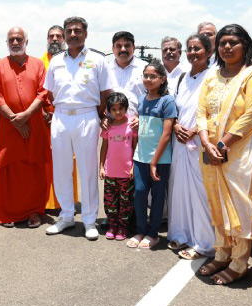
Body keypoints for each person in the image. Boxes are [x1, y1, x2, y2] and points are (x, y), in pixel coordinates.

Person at [195, 24, 252, 285]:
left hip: (239, 156)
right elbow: (201, 112)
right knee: (216, 204)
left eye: (233, 43)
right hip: (211, 153)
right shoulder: (212, 76)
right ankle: (221, 253)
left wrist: (222, 145)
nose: (227, 47)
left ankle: (239, 262)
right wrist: (206, 142)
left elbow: (251, 116)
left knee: (240, 206)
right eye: (223, 42)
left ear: (245, 46)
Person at [44, 16, 112, 240]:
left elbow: (105, 93)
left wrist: (97, 113)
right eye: (69, 31)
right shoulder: (56, 61)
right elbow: (51, 93)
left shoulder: (98, 59)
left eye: (77, 31)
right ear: (64, 35)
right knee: (61, 168)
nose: (73, 34)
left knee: (88, 169)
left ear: (85, 34)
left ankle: (90, 220)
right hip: (61, 117)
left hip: (86, 116)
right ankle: (66, 216)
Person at [0, 26, 50, 227]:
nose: (15, 43)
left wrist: (25, 116)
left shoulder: (38, 65)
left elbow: (43, 94)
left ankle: (34, 211)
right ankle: (8, 212)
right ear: (7, 43)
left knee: (34, 169)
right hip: (8, 127)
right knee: (9, 165)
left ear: (26, 42)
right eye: (11, 39)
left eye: (19, 39)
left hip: (34, 126)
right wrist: (16, 121)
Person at [166, 33, 215, 260]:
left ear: (208, 52)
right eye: (190, 49)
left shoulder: (214, 76)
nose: (193, 53)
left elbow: (216, 110)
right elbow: (174, 108)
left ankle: (204, 243)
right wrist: (176, 127)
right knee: (179, 188)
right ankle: (181, 234)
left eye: (198, 49)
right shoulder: (182, 77)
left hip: (199, 139)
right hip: (180, 140)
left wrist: (195, 130)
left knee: (200, 191)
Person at [127, 59, 177, 250]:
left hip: (160, 159)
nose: (148, 79)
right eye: (145, 76)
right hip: (140, 158)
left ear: (162, 79)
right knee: (139, 193)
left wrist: (154, 162)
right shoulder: (142, 99)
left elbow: (166, 134)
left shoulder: (167, 101)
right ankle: (140, 230)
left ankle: (153, 233)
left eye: (152, 76)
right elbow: (140, 130)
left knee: (157, 197)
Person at [40, 25, 78, 211]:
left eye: (58, 36)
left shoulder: (70, 61)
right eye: (51, 36)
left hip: (66, 119)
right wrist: (43, 113)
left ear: (63, 39)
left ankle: (68, 202)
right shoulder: (39, 62)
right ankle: (46, 201)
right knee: (46, 161)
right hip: (43, 120)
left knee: (69, 161)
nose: (54, 39)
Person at [99, 93, 137, 240]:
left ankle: (123, 228)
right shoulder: (108, 126)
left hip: (126, 172)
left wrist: (134, 166)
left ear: (126, 108)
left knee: (126, 202)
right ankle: (112, 226)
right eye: (114, 109)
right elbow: (104, 147)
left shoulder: (131, 126)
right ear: (109, 111)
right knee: (110, 202)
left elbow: (135, 147)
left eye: (121, 108)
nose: (118, 112)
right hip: (110, 172)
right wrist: (101, 166)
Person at [106, 31, 146, 116]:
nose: (123, 49)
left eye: (127, 46)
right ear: (113, 49)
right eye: (119, 46)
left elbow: (154, 96)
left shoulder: (145, 69)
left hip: (139, 124)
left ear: (134, 48)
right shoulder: (105, 71)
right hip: (112, 125)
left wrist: (141, 118)